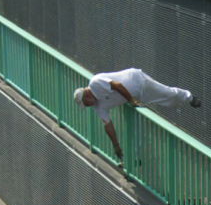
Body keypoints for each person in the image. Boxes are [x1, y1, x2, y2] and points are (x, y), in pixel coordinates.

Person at [73, 68, 201, 160]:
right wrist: (116, 146)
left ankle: (189, 97)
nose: (89, 106)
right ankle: (137, 157)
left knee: (166, 93)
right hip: (137, 95)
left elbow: (117, 85)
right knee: (165, 102)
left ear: (87, 95)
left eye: (86, 103)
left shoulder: (95, 82)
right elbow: (108, 125)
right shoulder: (98, 107)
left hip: (138, 80)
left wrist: (131, 100)